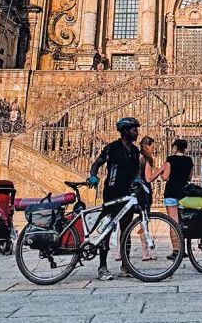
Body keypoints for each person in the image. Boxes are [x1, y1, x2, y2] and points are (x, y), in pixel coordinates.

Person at [87, 116, 141, 281]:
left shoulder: (135, 150)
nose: (136, 132)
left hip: (127, 194)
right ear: (125, 131)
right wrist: (93, 175)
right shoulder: (112, 148)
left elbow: (136, 170)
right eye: (134, 129)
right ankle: (102, 267)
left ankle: (126, 265)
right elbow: (97, 163)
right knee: (108, 229)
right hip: (111, 193)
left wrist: (137, 181)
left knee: (126, 230)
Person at [147, 138, 193, 260]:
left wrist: (162, 173)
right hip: (184, 193)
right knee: (182, 222)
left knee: (173, 222)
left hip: (171, 192)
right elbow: (189, 177)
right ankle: (183, 249)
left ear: (174, 147)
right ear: (185, 148)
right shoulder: (189, 160)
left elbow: (165, 177)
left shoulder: (170, 160)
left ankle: (176, 250)